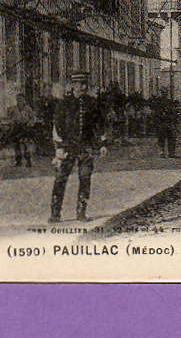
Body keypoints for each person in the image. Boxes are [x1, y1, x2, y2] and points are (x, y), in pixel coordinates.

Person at [48, 70, 107, 223]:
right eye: (79, 84)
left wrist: (102, 144)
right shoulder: (64, 103)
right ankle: (55, 214)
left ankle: (81, 213)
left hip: (86, 147)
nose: (82, 87)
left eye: (84, 84)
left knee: (85, 178)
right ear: (73, 85)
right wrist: (59, 147)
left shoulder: (93, 103)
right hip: (67, 147)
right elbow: (57, 125)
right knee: (60, 178)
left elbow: (99, 125)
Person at [6, 93, 37, 167]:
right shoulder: (13, 109)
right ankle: (18, 161)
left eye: (21, 99)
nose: (19, 101)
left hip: (25, 127)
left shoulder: (28, 108)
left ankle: (28, 160)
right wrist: (13, 122)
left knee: (26, 143)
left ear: (24, 100)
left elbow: (33, 118)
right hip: (17, 127)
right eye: (18, 99)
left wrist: (30, 123)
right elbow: (10, 118)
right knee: (16, 144)